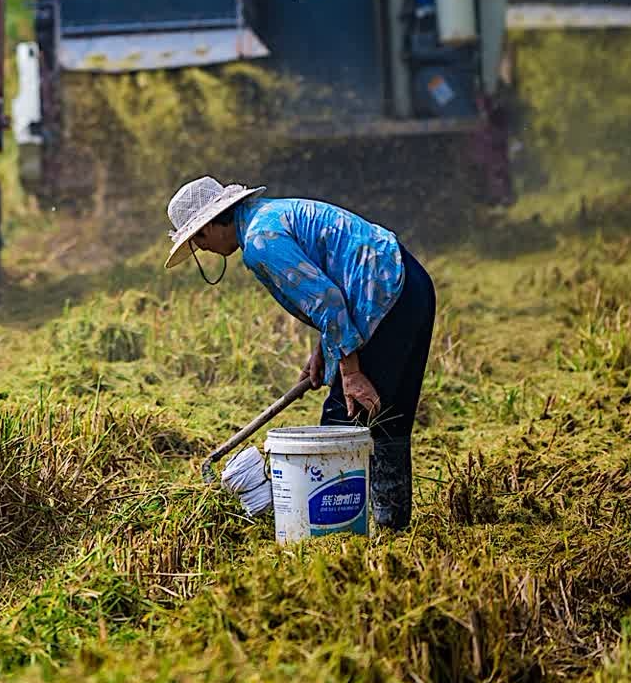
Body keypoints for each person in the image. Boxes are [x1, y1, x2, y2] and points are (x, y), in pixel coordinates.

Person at [162, 176, 436, 530]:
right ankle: (390, 525)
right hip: (410, 283)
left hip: (383, 297)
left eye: (198, 239)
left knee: (342, 418)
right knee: (388, 416)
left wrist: (350, 372)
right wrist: (325, 350)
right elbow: (334, 282)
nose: (203, 249)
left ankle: (332, 532)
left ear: (212, 225)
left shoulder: (261, 241)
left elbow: (328, 300)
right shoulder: (268, 216)